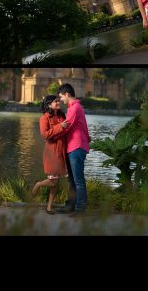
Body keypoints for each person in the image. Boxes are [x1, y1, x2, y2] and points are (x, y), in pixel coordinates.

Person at [55, 83, 91, 216]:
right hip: (73, 147)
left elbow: (66, 127)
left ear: (67, 94)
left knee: (78, 180)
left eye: (61, 97)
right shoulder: (72, 108)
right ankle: (71, 205)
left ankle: (80, 208)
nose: (61, 100)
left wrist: (52, 132)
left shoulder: (75, 108)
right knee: (73, 180)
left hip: (77, 147)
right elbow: (82, 126)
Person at [30, 95, 69, 214]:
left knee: (56, 182)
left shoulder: (62, 116)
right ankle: (39, 184)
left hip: (62, 150)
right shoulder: (44, 118)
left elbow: (67, 131)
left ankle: (49, 207)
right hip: (52, 151)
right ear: (48, 105)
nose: (58, 102)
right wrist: (59, 127)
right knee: (53, 181)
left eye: (58, 100)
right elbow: (45, 135)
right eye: (55, 101)